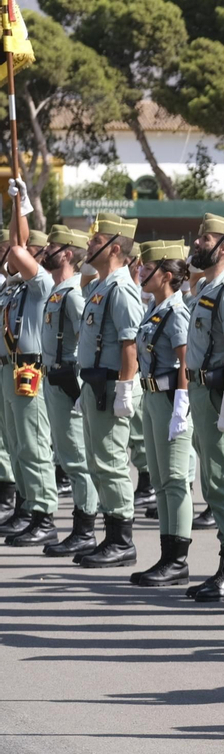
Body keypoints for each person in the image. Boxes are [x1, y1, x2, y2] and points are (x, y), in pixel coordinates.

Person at [182, 214, 224, 601]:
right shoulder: (209, 286)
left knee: (223, 478)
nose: (195, 244)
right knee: (212, 478)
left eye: (203, 238)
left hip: (215, 394)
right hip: (199, 391)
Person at [72, 213, 144, 569]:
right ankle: (110, 535)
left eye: (96, 241)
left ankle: (121, 540)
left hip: (112, 384)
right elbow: (85, 272)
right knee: (97, 462)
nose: (88, 244)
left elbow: (130, 344)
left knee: (112, 463)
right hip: (95, 382)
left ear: (116, 248)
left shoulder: (121, 289)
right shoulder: (102, 285)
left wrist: (125, 390)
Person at [125, 241, 194, 585]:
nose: (140, 272)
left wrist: (182, 402)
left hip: (171, 401)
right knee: (161, 478)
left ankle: (178, 558)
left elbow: (185, 360)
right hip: (153, 398)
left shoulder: (177, 312)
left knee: (175, 479)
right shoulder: (154, 308)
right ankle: (167, 555)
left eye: (146, 268)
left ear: (165, 275)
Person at [0, 191, 61, 548]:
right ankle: (26, 506)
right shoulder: (12, 288)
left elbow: (16, 245)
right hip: (8, 368)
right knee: (17, 443)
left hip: (29, 370)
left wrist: (18, 204)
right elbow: (15, 248)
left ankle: (44, 514)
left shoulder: (40, 286)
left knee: (35, 445)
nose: (10, 259)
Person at [36, 226, 99, 557]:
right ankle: (81, 525)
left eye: (54, 246)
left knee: (77, 458)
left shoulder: (73, 294)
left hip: (67, 382)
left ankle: (85, 528)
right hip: (53, 380)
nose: (47, 250)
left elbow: (85, 341)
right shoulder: (58, 290)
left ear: (69, 254)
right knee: (66, 454)